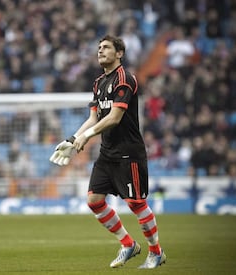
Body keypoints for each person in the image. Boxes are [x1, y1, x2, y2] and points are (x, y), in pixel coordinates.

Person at [50, 35, 166, 269]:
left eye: (106, 47)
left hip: (129, 153)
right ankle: (128, 244)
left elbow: (114, 118)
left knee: (136, 203)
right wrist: (73, 139)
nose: (100, 51)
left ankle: (156, 252)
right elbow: (94, 118)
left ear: (119, 53)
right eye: (99, 48)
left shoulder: (126, 79)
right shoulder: (98, 83)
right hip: (107, 152)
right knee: (94, 200)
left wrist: (86, 136)